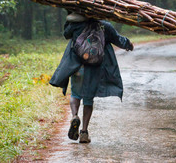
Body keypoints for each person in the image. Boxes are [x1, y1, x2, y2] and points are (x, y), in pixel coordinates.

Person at [49, 12, 134, 143]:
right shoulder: (104, 26)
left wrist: (69, 18)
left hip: (78, 67)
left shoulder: (76, 25)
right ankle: (84, 132)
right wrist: (129, 44)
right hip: (94, 67)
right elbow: (119, 40)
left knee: (75, 94)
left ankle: (74, 116)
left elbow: (66, 34)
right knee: (88, 99)